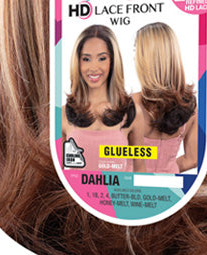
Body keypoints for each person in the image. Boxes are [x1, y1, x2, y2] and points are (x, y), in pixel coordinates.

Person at [62, 25, 145, 172]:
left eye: (102, 58)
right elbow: (56, 175)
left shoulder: (132, 113)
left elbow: (140, 172)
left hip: (119, 188)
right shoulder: (62, 114)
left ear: (113, 61)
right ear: (77, 62)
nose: (94, 67)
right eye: (86, 59)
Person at [134, 22, 198, 174]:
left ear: (144, 58)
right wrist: (166, 170)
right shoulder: (190, 106)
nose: (134, 58)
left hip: (132, 186)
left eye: (136, 51)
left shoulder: (128, 105)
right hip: (169, 186)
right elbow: (192, 159)